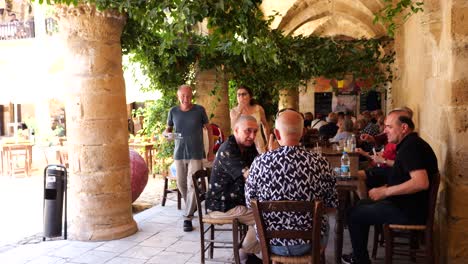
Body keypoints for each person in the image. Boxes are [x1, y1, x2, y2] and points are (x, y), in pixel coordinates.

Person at [342, 109, 438, 264]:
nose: (385, 130)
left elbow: (421, 182)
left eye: (389, 127)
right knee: (360, 204)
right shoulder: (410, 144)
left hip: (408, 210)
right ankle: (360, 256)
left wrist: (386, 191)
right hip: (407, 204)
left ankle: (361, 260)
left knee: (354, 214)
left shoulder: (411, 147)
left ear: (404, 128)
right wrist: (387, 186)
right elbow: (405, 174)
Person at [246, 109, 338, 256]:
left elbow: (250, 203)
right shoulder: (320, 163)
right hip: (310, 244)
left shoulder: (259, 163)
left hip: (271, 243)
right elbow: (331, 206)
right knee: (325, 220)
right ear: (302, 133)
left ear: (276, 134)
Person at [206, 115, 260, 264]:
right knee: (265, 218)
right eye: (248, 131)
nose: (252, 136)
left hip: (236, 201)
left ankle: (247, 253)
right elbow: (251, 176)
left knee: (266, 213)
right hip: (222, 206)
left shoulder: (247, 147)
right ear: (236, 130)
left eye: (255, 132)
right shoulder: (228, 149)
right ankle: (241, 254)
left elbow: (260, 167)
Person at [165, 84, 214, 232]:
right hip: (179, 154)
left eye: (188, 95)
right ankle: (192, 206)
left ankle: (187, 217)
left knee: (192, 184)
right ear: (178, 96)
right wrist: (166, 135)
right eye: (183, 96)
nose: (186, 98)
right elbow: (168, 131)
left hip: (196, 154)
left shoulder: (199, 110)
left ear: (191, 95)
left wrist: (210, 150)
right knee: (181, 184)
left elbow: (209, 130)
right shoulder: (173, 111)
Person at [230, 86, 270, 153]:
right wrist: (240, 110)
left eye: (244, 94)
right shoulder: (234, 111)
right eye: (238, 95)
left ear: (250, 96)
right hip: (242, 143)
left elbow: (265, 125)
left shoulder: (258, 108)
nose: (241, 97)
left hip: (258, 142)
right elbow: (233, 127)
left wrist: (268, 141)